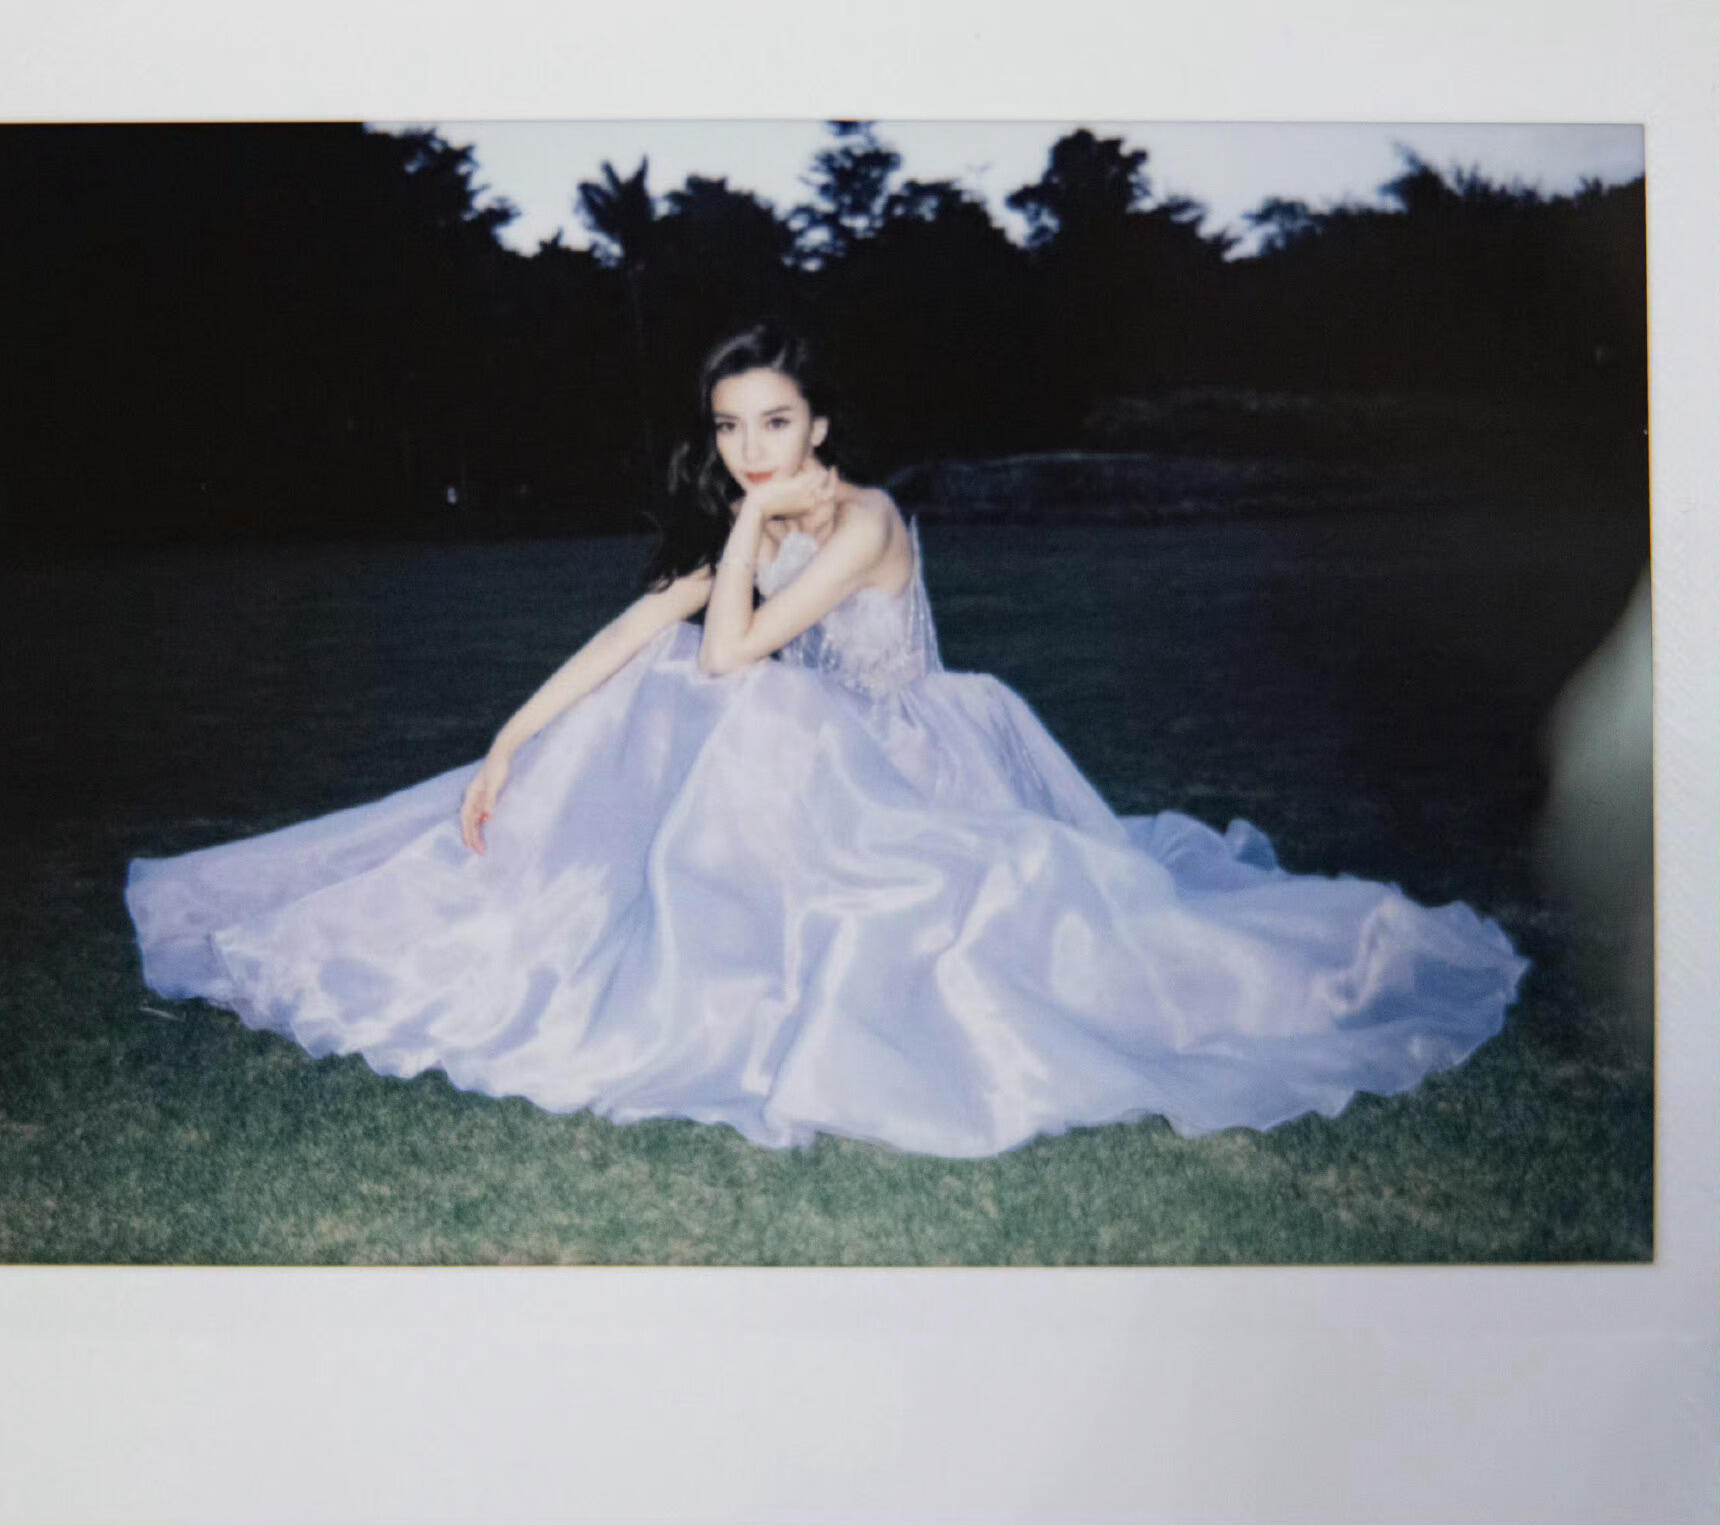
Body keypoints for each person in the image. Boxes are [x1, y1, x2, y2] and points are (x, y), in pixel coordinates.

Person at [126, 322, 1526, 1158]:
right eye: (730, 428)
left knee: (734, 691)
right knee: (667, 680)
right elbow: (646, 629)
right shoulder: (761, 512)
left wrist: (747, 524)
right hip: (815, 765)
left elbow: (733, 650)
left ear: (821, 424)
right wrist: (508, 738)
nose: (750, 448)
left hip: (920, 761)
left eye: (774, 423)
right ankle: (560, 902)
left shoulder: (860, 519)